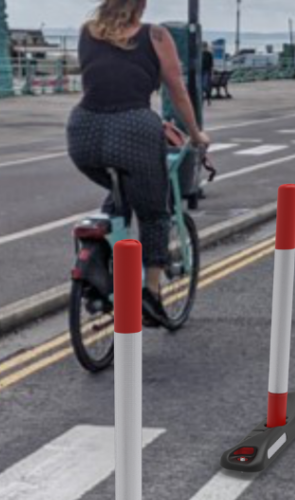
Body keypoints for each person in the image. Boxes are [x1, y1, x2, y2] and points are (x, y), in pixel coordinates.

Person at [67, 0, 211, 325]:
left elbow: (103, 82)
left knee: (123, 192)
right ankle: (151, 294)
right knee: (154, 213)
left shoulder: (87, 31)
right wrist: (196, 133)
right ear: (140, 5)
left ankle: (97, 261)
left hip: (83, 132)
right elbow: (177, 90)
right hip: (134, 130)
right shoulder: (156, 36)